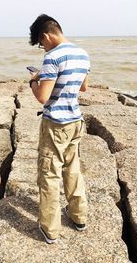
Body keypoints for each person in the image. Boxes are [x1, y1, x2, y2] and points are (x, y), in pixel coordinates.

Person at [28, 14, 90, 244]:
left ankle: (50, 229)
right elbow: (83, 87)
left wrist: (34, 80)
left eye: (41, 43)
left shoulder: (52, 57)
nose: (42, 47)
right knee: (73, 169)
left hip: (55, 124)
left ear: (45, 35)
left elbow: (42, 97)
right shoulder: (82, 53)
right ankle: (79, 217)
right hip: (75, 121)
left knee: (49, 175)